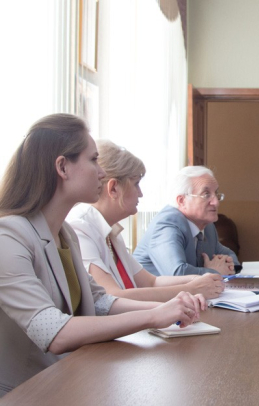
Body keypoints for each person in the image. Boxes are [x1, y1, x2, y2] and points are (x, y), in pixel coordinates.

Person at [0, 114, 206, 397]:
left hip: (67, 378)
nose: (101, 172)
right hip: (25, 392)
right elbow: (54, 332)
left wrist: (172, 307)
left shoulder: (65, 233)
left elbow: (99, 302)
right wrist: (154, 315)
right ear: (62, 167)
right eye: (93, 160)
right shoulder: (9, 237)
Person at [67, 140, 225, 301]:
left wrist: (197, 280)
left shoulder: (111, 231)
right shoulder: (81, 227)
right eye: (136, 184)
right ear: (113, 188)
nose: (141, 193)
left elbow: (151, 282)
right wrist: (191, 289)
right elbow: (112, 297)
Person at [133, 166, 239, 276]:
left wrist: (228, 266)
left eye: (216, 193)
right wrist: (215, 272)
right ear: (182, 201)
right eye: (206, 194)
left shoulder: (207, 225)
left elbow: (229, 254)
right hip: (147, 287)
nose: (216, 202)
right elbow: (177, 273)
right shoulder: (167, 225)